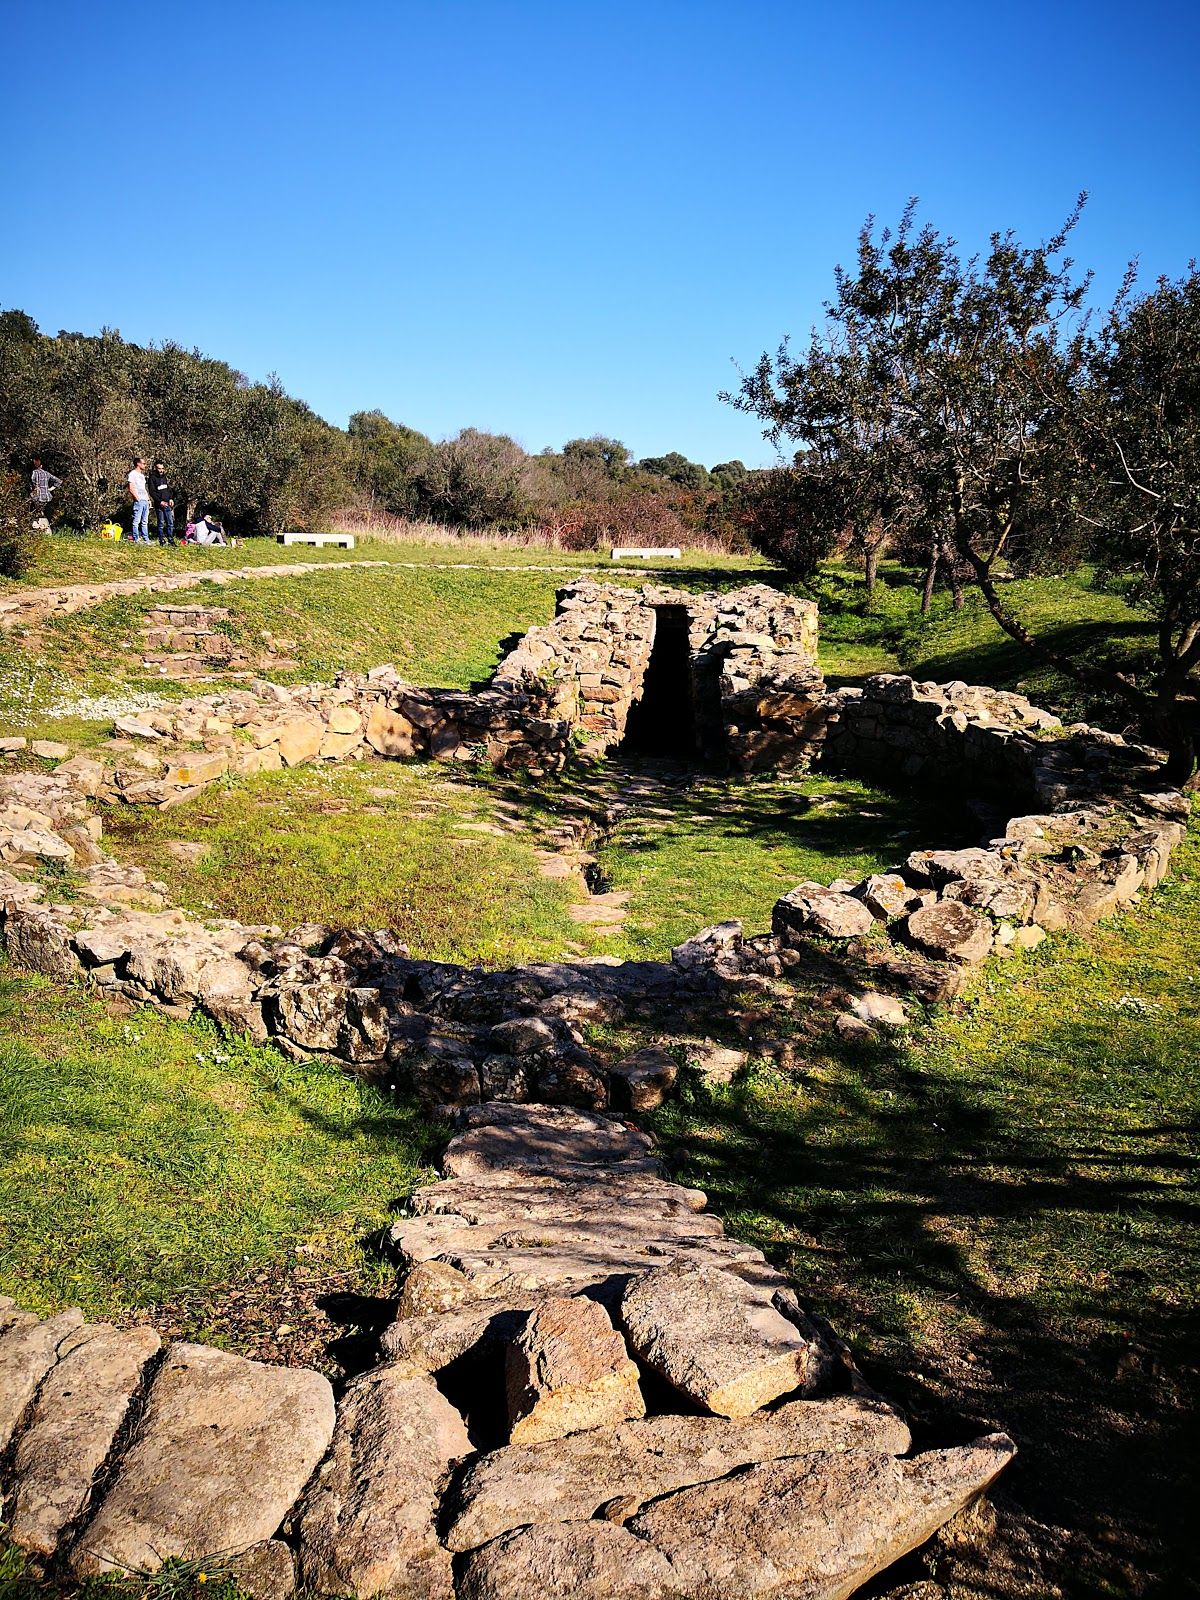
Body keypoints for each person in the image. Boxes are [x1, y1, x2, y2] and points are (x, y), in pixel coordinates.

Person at [148, 460, 175, 545]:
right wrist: (160, 501)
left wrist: (170, 498)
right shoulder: (152, 478)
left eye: (162, 468)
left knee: (170, 523)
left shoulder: (165, 477)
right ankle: (161, 540)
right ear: (155, 468)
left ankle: (171, 540)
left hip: (167, 503)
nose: (161, 470)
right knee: (161, 523)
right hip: (159, 504)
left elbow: (169, 489)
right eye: (159, 468)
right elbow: (152, 492)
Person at [127, 457, 151, 543]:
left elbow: (143, 488)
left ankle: (146, 539)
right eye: (144, 463)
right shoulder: (132, 474)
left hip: (145, 500)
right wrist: (137, 498)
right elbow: (131, 487)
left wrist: (148, 499)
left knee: (145, 521)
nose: (145, 465)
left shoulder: (142, 475)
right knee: (136, 521)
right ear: (138, 464)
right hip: (139, 500)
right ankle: (136, 538)